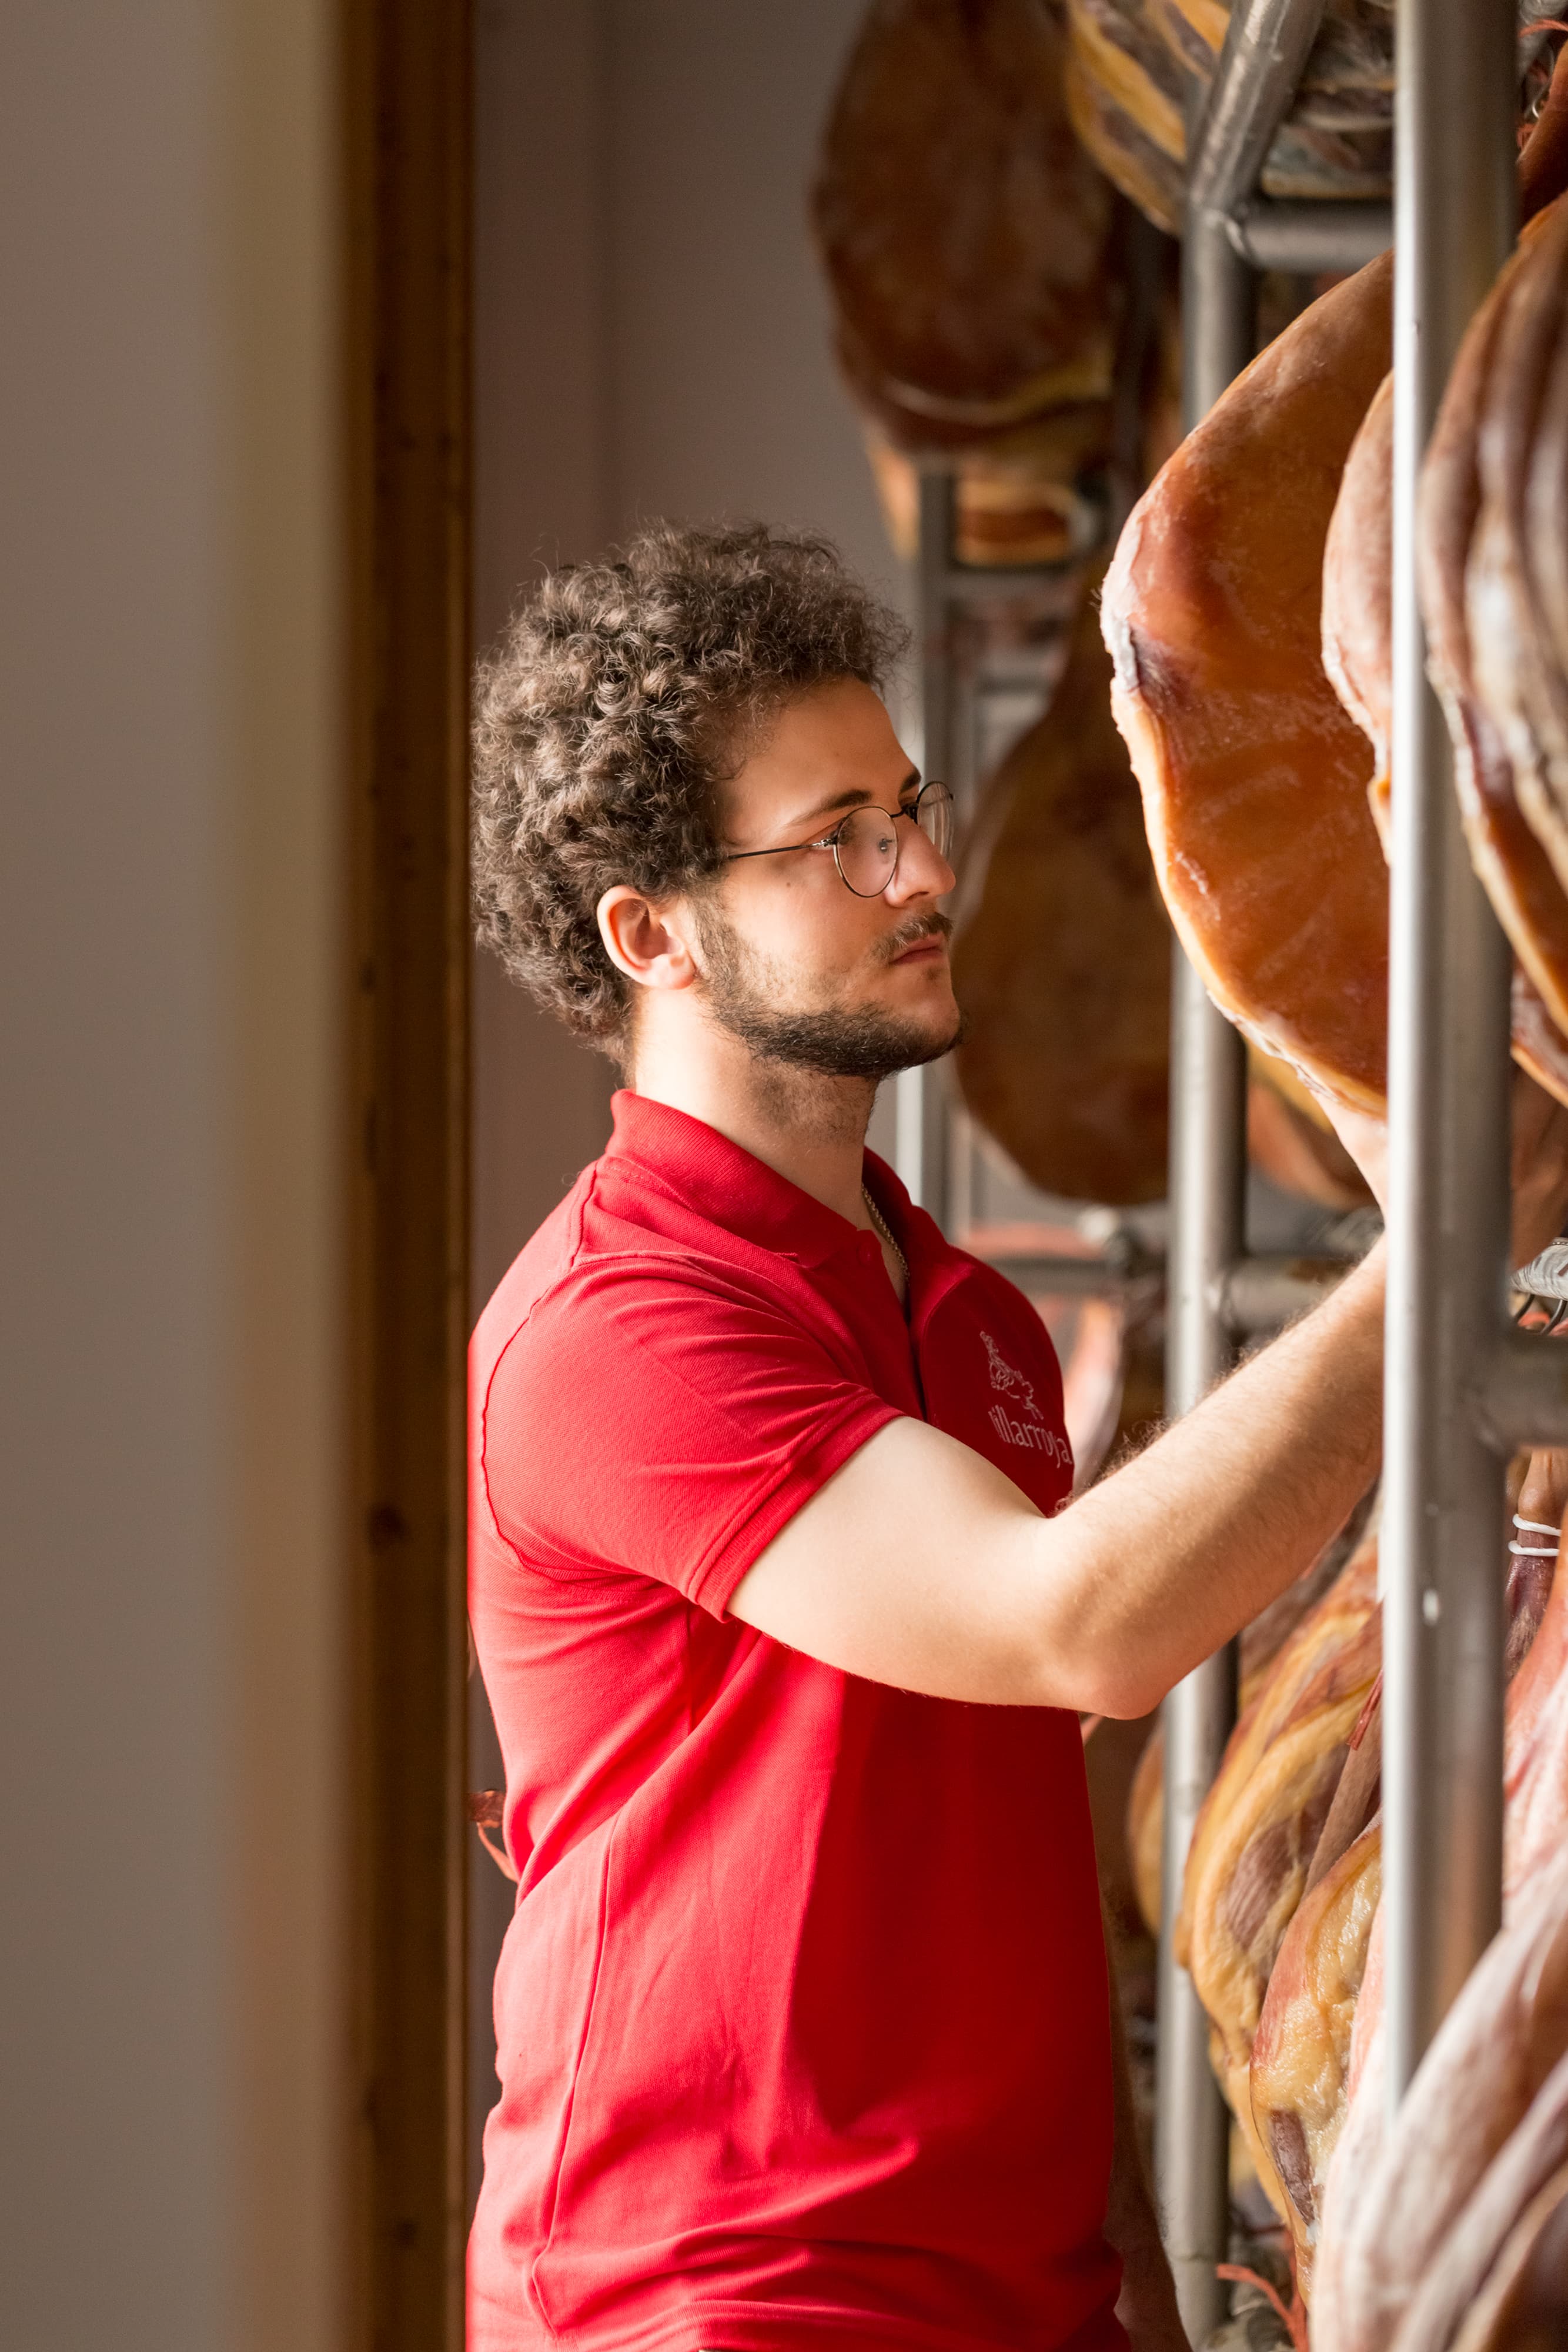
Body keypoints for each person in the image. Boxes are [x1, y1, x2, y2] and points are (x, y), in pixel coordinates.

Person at [466, 522, 1568, 2352]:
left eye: (906, 803)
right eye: (837, 840)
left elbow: (1001, 1840)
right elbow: (1082, 1628)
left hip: (1014, 2306)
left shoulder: (957, 1307)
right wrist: (1463, 1213)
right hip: (727, 2303)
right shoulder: (615, 1331)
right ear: (650, 934)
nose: (924, 867)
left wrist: (1118, 2266)